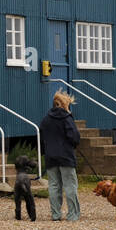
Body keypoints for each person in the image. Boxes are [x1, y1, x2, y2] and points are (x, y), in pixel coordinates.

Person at [39, 90, 82, 221]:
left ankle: (56, 214)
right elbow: (74, 137)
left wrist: (44, 152)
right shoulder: (67, 118)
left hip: (51, 156)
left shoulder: (46, 119)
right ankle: (73, 214)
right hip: (66, 156)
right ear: (66, 104)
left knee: (53, 185)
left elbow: (41, 138)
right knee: (70, 185)